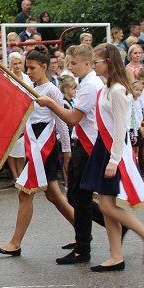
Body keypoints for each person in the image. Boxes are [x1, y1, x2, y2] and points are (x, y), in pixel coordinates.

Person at [79, 44, 144, 271]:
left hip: (112, 150)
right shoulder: (106, 88)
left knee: (106, 204)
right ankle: (116, 255)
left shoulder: (117, 91)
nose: (94, 64)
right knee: (107, 203)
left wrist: (114, 160)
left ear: (108, 62)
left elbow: (120, 128)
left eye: (97, 61)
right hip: (102, 148)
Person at [0, 50, 73, 257]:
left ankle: (15, 243)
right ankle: (83, 231)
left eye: (32, 67)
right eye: (27, 67)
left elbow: (62, 123)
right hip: (34, 144)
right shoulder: (32, 88)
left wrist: (66, 151)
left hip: (44, 148)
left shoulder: (52, 90)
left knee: (24, 193)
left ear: (44, 67)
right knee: (54, 196)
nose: (29, 71)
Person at [34, 44, 108, 264]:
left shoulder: (89, 86)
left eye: (74, 63)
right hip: (86, 144)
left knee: (78, 197)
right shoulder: (88, 82)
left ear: (87, 63)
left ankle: (84, 246)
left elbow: (72, 118)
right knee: (78, 197)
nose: (70, 68)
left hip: (88, 146)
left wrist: (51, 104)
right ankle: (90, 238)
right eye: (68, 63)